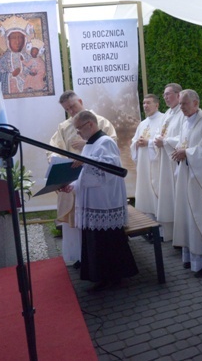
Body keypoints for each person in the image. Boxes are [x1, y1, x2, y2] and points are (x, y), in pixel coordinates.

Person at [60, 110, 138, 291]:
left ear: (90, 124)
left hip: (104, 201)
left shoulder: (106, 142)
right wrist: (72, 185)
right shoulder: (89, 145)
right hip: (92, 201)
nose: (77, 133)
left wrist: (86, 162)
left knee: (107, 241)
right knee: (96, 241)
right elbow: (84, 174)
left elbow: (108, 171)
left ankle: (113, 277)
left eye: (79, 128)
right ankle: (101, 276)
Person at [48, 90, 117, 266]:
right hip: (73, 181)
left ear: (80, 101)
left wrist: (87, 144)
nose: (71, 112)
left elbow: (111, 147)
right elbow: (54, 148)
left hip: (96, 186)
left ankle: (95, 259)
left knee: (95, 225)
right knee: (74, 226)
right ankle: (78, 256)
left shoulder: (100, 122)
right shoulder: (64, 127)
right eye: (67, 109)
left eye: (73, 106)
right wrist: (57, 163)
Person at [171, 90, 202, 276]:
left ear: (196, 103)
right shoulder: (185, 122)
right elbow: (183, 143)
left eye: (184, 104)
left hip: (199, 179)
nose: (181, 107)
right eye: (180, 104)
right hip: (186, 174)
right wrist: (179, 151)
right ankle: (190, 257)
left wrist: (187, 153)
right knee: (186, 215)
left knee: (199, 215)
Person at [152, 83, 184, 241]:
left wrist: (164, 142)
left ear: (179, 95)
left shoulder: (183, 113)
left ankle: (180, 235)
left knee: (177, 197)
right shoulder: (167, 114)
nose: (165, 97)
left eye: (168, 94)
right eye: (164, 94)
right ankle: (170, 234)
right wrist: (157, 140)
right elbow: (159, 133)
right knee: (167, 197)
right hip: (165, 162)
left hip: (175, 162)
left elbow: (184, 139)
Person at [129, 94, 164, 217]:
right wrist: (137, 144)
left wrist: (148, 143)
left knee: (157, 194)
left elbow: (165, 141)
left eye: (148, 103)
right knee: (145, 194)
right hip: (144, 166)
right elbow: (134, 141)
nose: (145, 106)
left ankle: (161, 226)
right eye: (144, 103)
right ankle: (149, 223)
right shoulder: (143, 124)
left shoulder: (164, 120)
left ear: (157, 104)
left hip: (156, 166)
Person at [0, 15, 33, 96]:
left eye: (20, 38)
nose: (17, 42)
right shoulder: (2, 60)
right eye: (14, 38)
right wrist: (11, 75)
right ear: (8, 40)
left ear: (25, 40)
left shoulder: (29, 58)